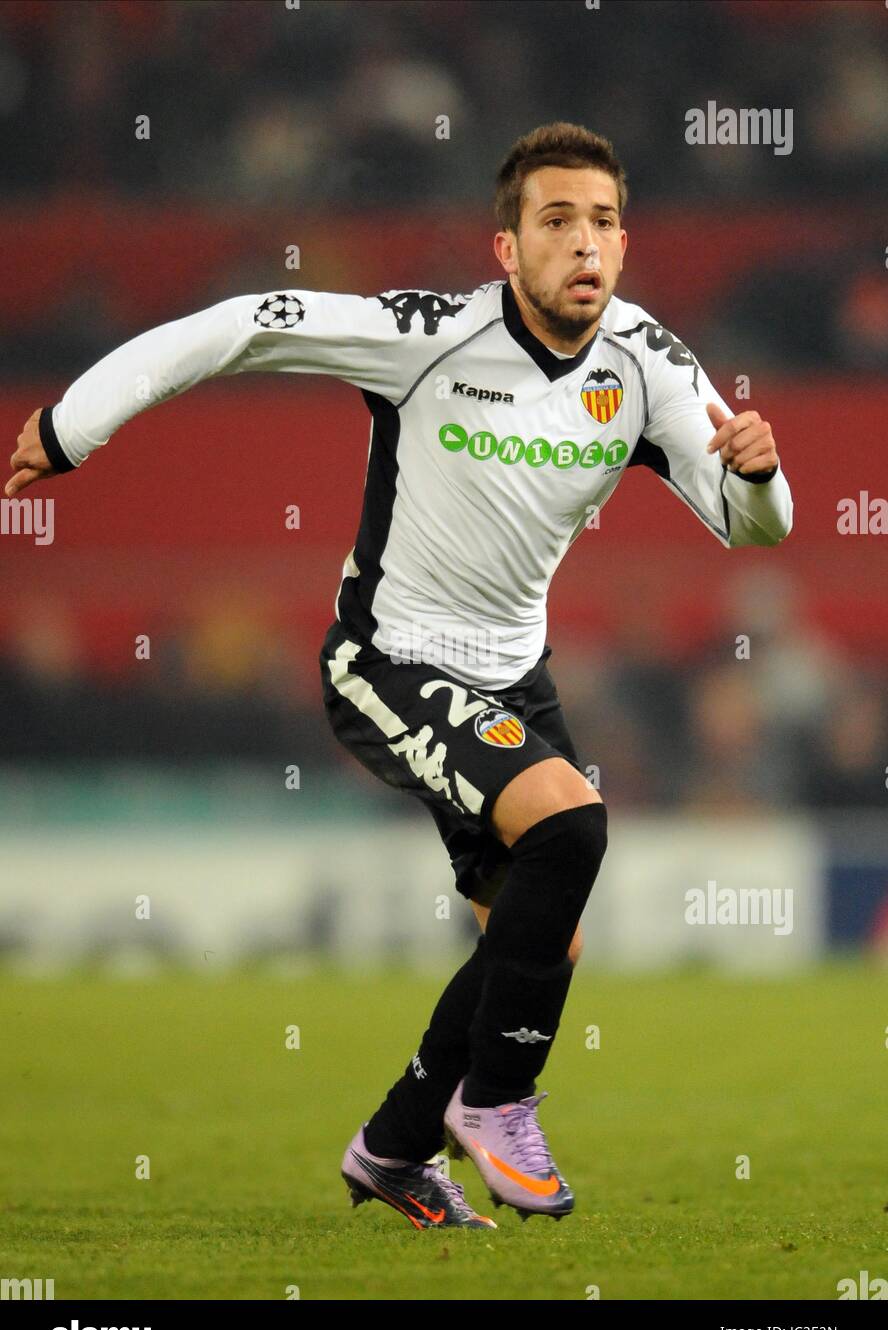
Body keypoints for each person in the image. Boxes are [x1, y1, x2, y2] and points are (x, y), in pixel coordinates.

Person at [7, 121, 793, 1230]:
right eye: (556, 220)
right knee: (571, 831)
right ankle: (499, 1101)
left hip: (515, 680)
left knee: (537, 928)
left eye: (604, 222)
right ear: (506, 250)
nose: (585, 244)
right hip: (389, 659)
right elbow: (243, 325)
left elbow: (752, 526)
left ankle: (391, 1147)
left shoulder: (649, 363)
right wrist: (70, 423)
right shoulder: (426, 337)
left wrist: (760, 477)